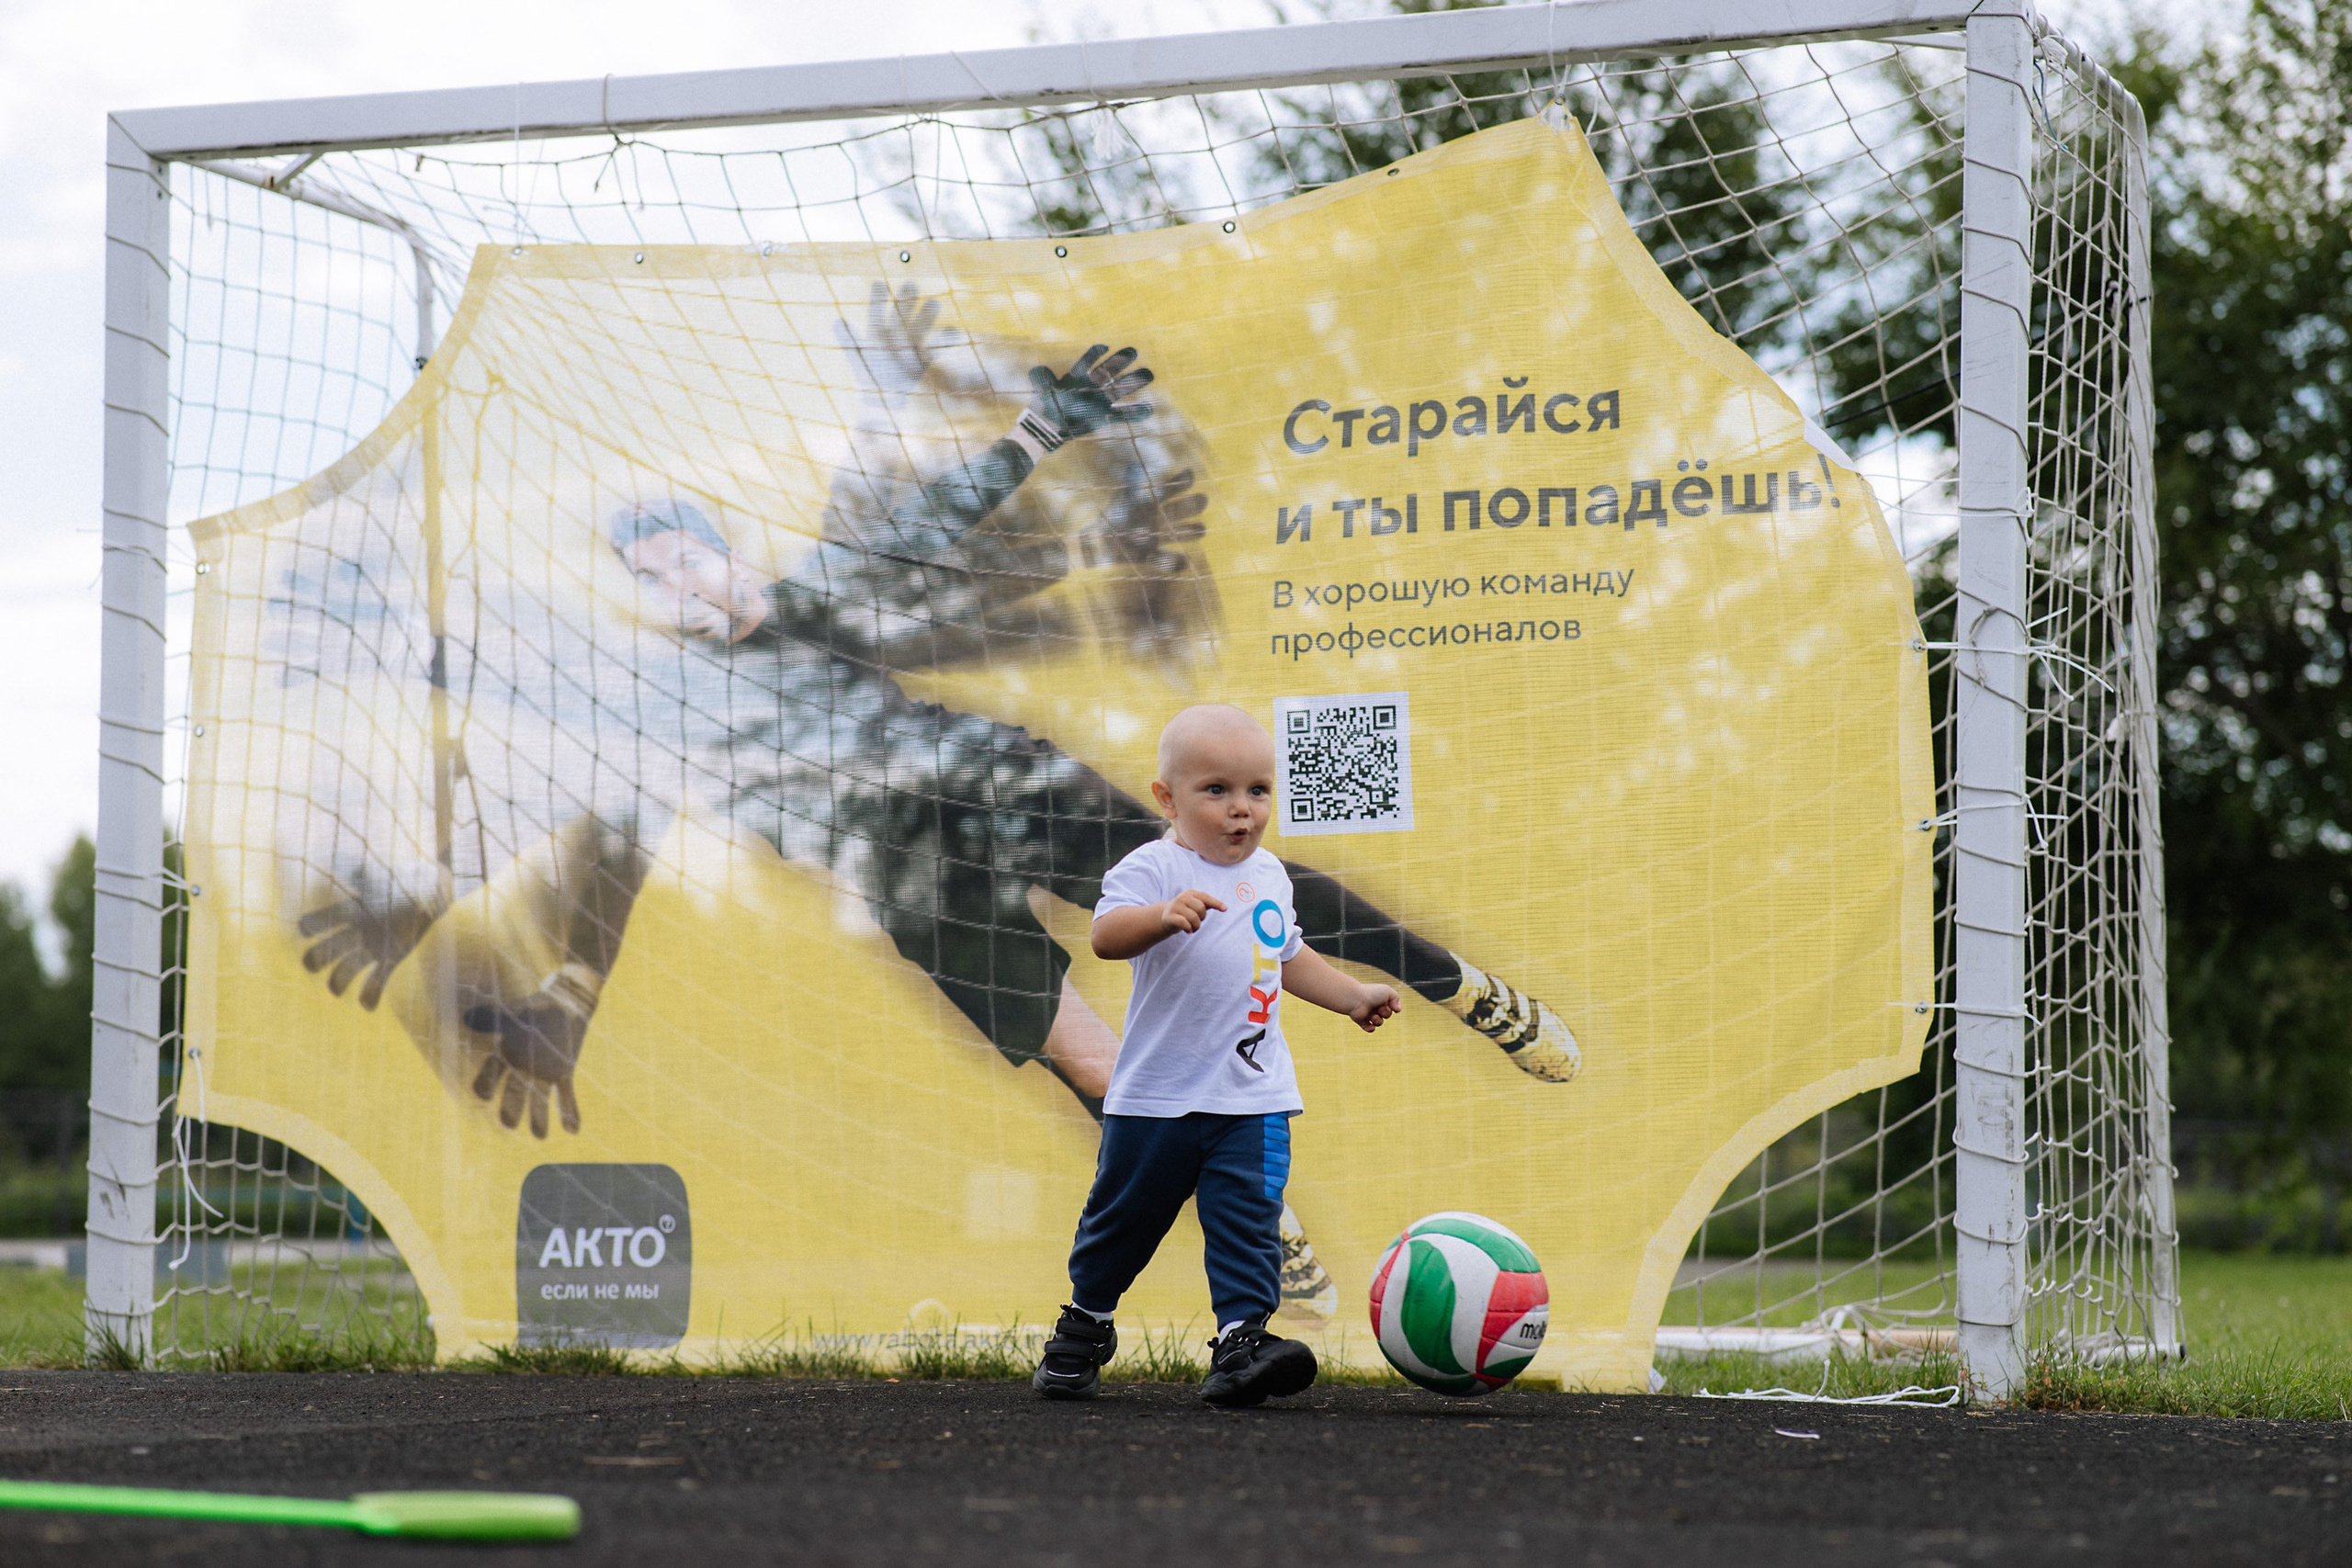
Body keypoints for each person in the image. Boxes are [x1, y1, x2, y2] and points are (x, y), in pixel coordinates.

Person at [297, 326, 1581, 1314]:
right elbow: (616, 850)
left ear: (730, 555)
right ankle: (1263, 1229)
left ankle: (1467, 987)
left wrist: (1043, 428)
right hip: (920, 890)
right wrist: (567, 991)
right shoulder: (676, 716)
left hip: (1000, 792)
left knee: (1261, 900)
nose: (674, 584)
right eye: (647, 578)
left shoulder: (816, 597)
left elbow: (930, 518)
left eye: (684, 555)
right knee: (1105, 1069)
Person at [1032, 704, 1396, 1407]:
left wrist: (1350, 994)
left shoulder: (1270, 877)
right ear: (1167, 797)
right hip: (1156, 1100)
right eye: (1218, 791)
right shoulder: (1154, 866)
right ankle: (1087, 1322)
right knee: (1121, 1222)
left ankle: (1241, 1341)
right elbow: (1107, 935)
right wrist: (1160, 917)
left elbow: (1286, 954)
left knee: (1248, 1218)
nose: (1242, 810)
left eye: (1258, 790)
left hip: (1251, 1097)